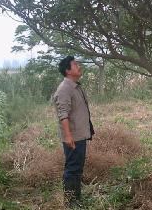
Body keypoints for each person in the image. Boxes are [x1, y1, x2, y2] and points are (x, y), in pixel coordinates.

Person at [52, 56, 95, 208]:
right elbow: (63, 114)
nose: (79, 66)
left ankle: (76, 199)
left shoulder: (75, 86)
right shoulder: (64, 89)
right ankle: (71, 203)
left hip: (79, 135)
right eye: (75, 65)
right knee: (72, 169)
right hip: (73, 137)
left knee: (77, 168)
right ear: (68, 71)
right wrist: (68, 136)